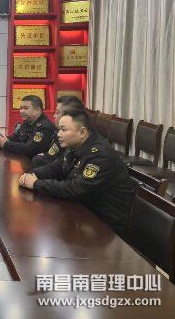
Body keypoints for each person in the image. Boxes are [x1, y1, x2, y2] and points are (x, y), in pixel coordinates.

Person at [18, 109, 137, 237]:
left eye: (63, 130)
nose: (58, 134)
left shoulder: (101, 155)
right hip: (83, 210)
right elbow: (56, 167)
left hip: (105, 226)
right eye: (59, 129)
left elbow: (77, 189)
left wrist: (36, 184)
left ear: (82, 132)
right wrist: (31, 174)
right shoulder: (75, 145)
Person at [32, 95, 84, 167]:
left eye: (57, 113)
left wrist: (39, 157)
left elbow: (45, 161)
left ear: (68, 116)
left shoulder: (67, 138)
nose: (54, 116)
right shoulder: (59, 132)